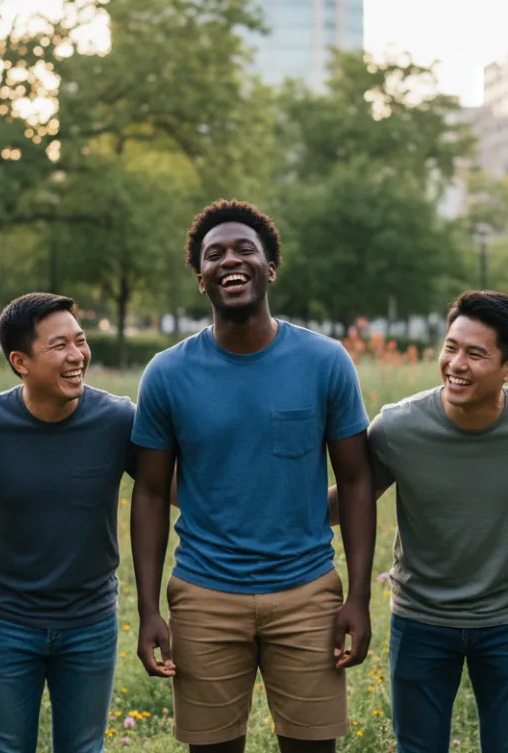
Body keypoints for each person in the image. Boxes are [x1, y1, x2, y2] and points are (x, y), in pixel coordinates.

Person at [130, 200, 376, 751]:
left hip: (308, 594)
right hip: (203, 597)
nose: (229, 260)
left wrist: (357, 597)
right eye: (213, 254)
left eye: (245, 249)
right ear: (201, 279)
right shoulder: (167, 374)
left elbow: (357, 481)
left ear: (270, 269)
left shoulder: (325, 361)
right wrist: (149, 610)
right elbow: (148, 492)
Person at [325, 290, 508, 753]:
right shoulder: (396, 428)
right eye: (451, 347)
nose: (456, 363)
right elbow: (354, 498)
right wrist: (261, 516)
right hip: (421, 619)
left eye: (475, 354)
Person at [0, 293, 136, 753]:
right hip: (6, 622)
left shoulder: (117, 420)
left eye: (81, 341)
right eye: (59, 346)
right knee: (7, 748)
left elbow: (168, 490)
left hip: (90, 620)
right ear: (20, 361)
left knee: (84, 748)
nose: (77, 356)